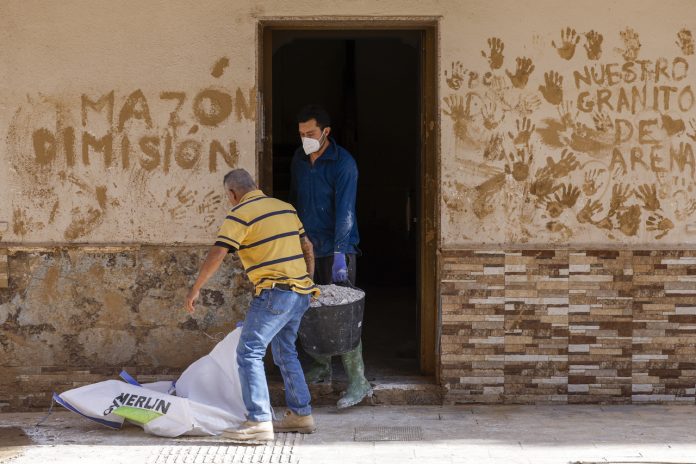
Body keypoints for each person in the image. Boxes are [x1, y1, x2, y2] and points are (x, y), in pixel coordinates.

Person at [185, 168, 319, 442]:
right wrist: (307, 281)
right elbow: (308, 247)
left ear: (232, 194)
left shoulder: (239, 214)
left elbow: (218, 252)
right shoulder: (285, 208)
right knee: (285, 352)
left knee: (249, 352)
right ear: (255, 185)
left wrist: (196, 288)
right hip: (300, 292)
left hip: (275, 293)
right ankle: (301, 415)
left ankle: (258, 421)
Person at [290, 104, 372, 409]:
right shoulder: (299, 160)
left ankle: (358, 382)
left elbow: (346, 211)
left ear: (326, 132)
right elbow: (294, 200)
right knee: (307, 309)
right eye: (301, 134)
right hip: (306, 247)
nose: (305, 139)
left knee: (344, 317)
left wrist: (340, 252)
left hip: (338, 250)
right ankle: (321, 366)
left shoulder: (343, 164)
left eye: (310, 133)